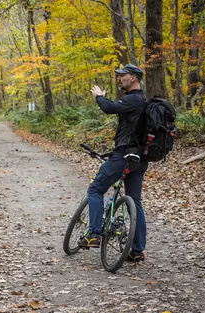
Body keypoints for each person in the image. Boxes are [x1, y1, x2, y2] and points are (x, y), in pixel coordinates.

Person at [78, 64, 148, 262]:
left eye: (122, 76)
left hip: (124, 156)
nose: (119, 79)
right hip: (139, 159)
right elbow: (118, 110)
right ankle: (136, 250)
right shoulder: (141, 100)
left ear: (133, 78)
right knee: (135, 201)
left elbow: (108, 108)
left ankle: (94, 234)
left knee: (95, 190)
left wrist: (99, 96)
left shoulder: (133, 98)